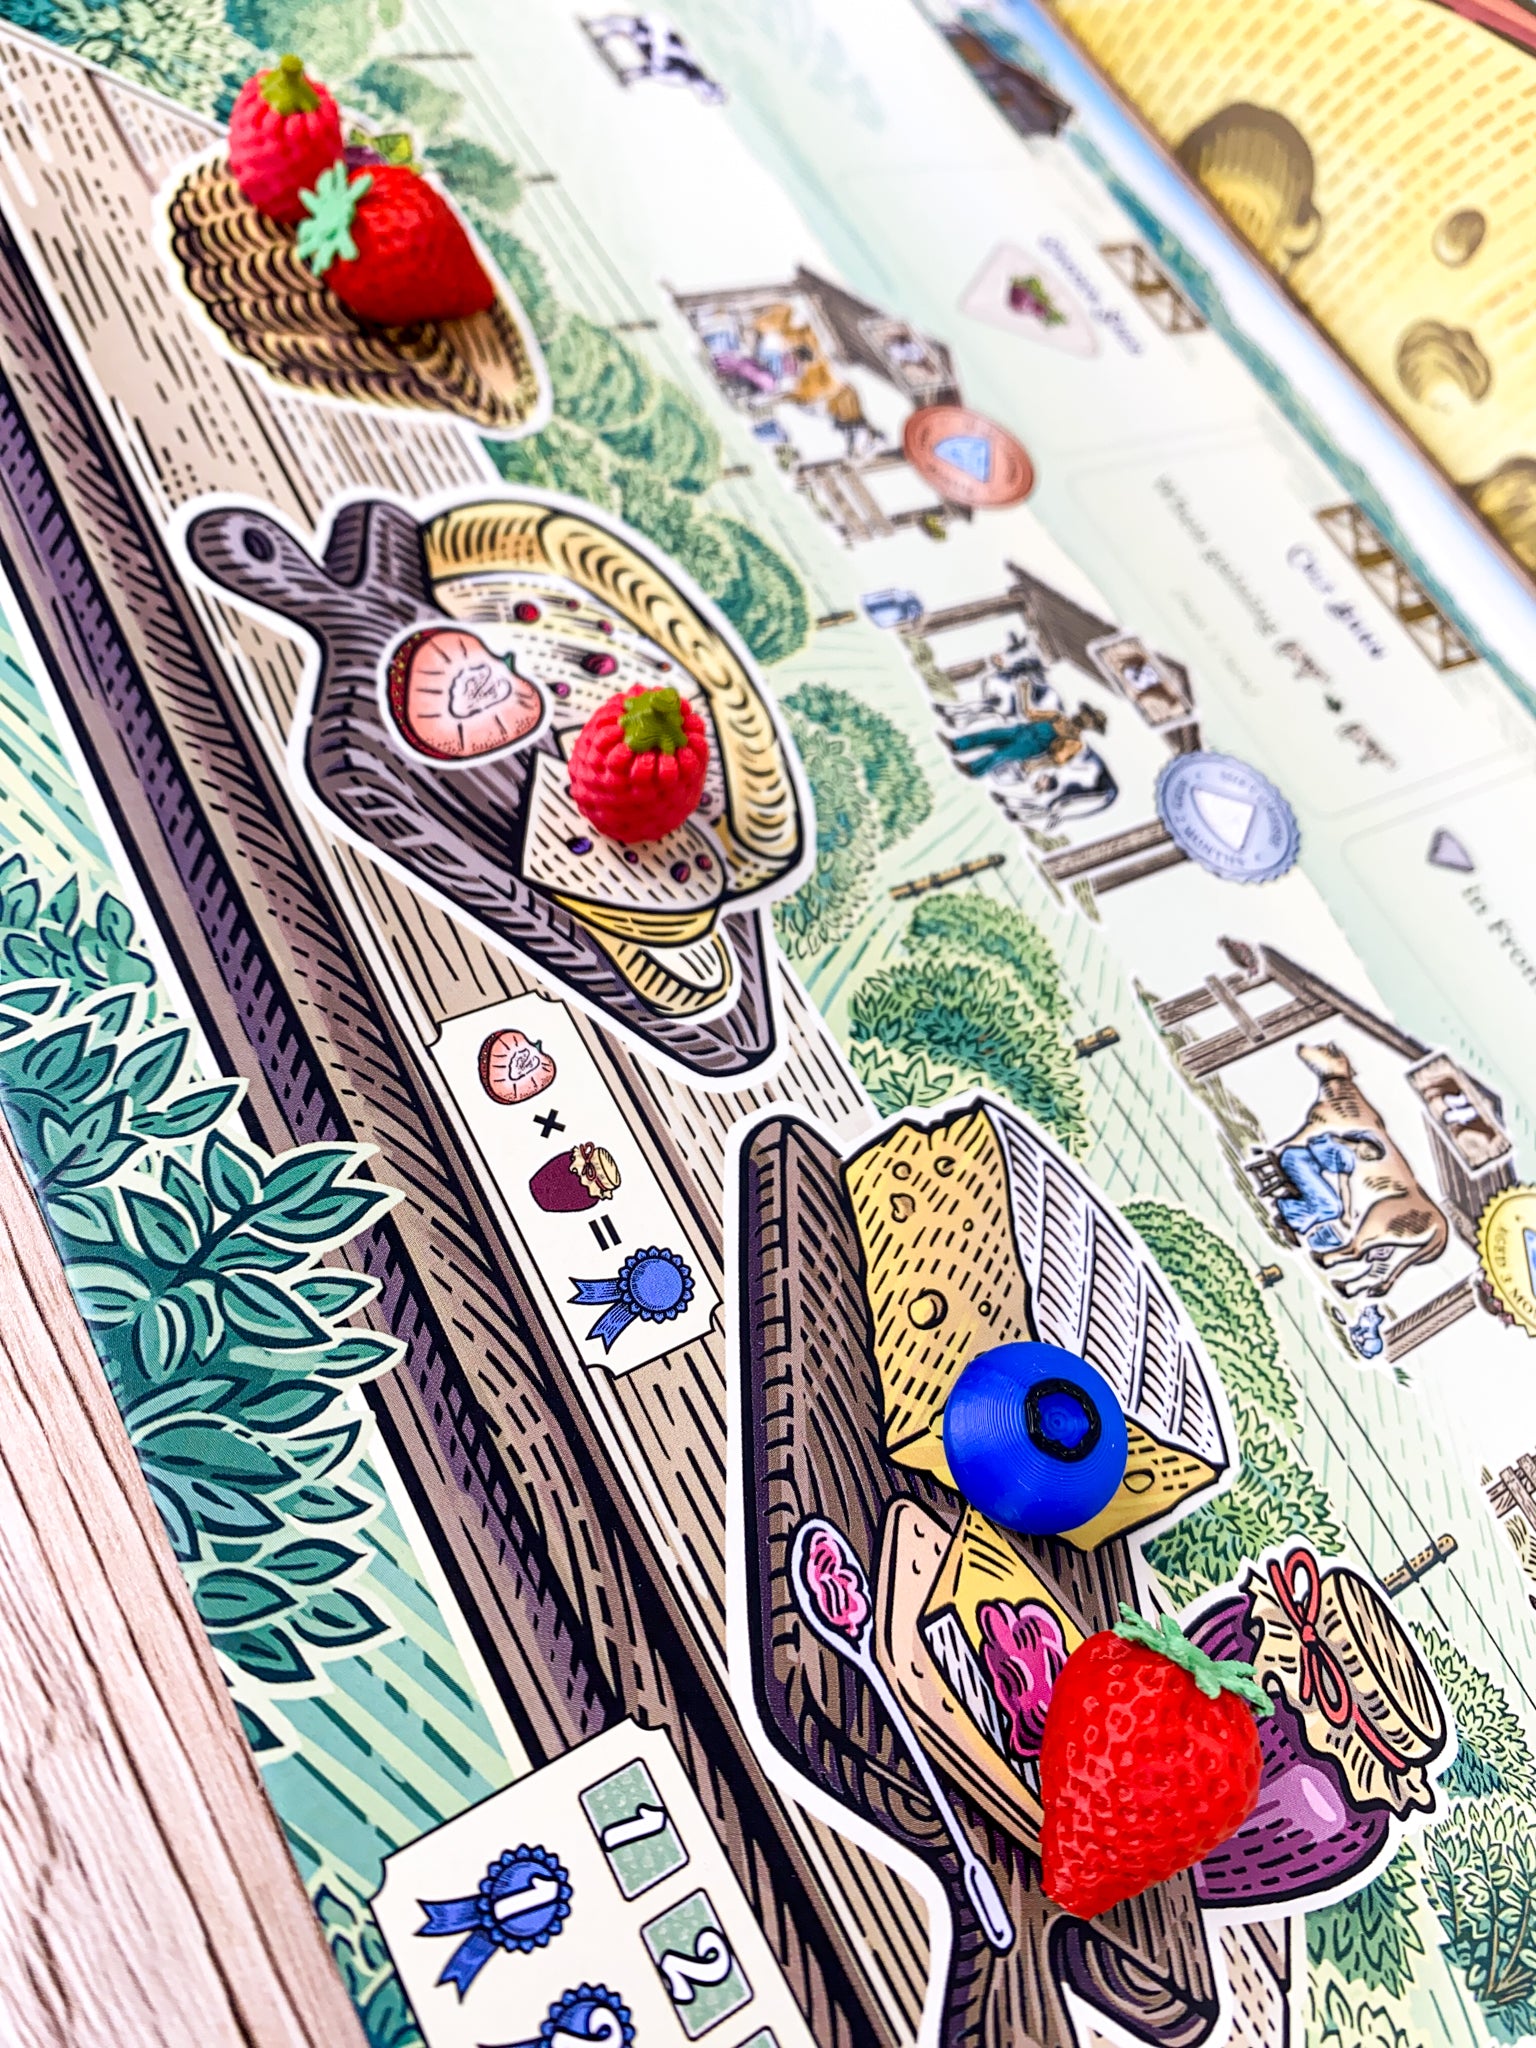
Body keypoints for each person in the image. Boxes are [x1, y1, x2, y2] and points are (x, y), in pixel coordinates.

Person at [946, 700, 1107, 780]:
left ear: (1091, 726)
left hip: (1032, 745)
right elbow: (1031, 714)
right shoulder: (1058, 716)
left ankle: (973, 769)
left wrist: (1035, 765)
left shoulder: (1075, 741)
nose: (1084, 716)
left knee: (1000, 755)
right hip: (1021, 730)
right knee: (989, 735)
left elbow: (1057, 759)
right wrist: (1024, 691)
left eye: (1090, 718)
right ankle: (957, 744)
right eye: (1087, 713)